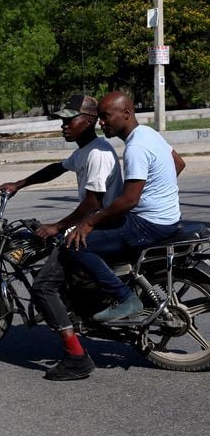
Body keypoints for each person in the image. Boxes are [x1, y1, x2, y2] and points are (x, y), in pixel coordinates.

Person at [0, 94, 123, 381]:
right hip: (94, 224)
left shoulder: (98, 154)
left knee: (42, 287)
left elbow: (94, 203)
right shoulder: (85, 150)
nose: (64, 125)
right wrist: (19, 184)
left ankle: (76, 356)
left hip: (99, 228)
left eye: (69, 120)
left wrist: (58, 225)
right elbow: (56, 168)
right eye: (62, 120)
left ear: (89, 121)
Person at [63, 91, 184, 345]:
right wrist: (160, 192)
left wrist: (89, 222)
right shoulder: (149, 133)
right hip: (167, 218)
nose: (102, 123)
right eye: (100, 118)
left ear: (126, 114)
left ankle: (126, 298)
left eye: (106, 117)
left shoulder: (136, 147)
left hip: (148, 224)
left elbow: (129, 200)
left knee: (75, 245)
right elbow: (179, 163)